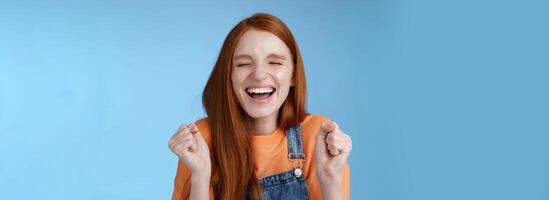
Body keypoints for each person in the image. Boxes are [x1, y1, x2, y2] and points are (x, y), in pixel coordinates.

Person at [168, 13, 353, 200]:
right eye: (244, 64)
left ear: (293, 75)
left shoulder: (316, 136)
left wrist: (331, 179)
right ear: (228, 76)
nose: (259, 74)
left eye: (274, 62)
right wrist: (200, 176)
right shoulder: (202, 138)